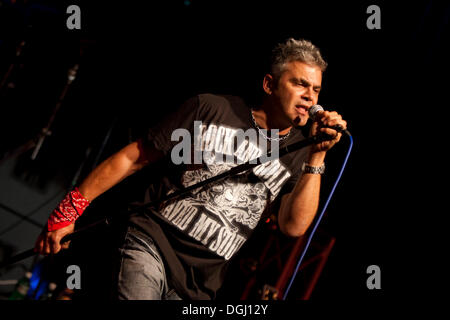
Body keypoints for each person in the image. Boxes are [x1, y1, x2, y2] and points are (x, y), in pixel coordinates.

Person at [34, 38, 347, 300]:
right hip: (150, 243)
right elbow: (134, 158)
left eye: (316, 89)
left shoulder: (300, 154)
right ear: (269, 84)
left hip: (201, 285)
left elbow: (293, 227)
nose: (310, 96)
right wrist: (69, 210)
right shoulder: (212, 109)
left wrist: (317, 157)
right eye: (300, 84)